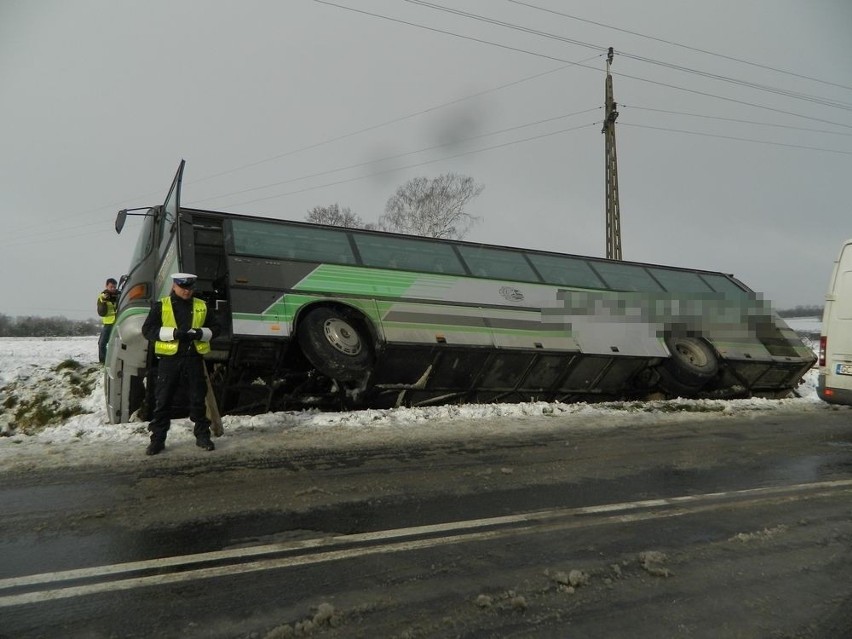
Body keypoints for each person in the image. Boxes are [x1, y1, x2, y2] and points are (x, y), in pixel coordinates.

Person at [141, 273, 221, 456]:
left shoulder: (202, 305)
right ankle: (157, 440)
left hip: (193, 358)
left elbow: (216, 328)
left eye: (190, 288)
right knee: (163, 401)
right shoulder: (161, 305)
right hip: (170, 360)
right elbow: (148, 330)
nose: (187, 291)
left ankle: (202, 436)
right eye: (183, 288)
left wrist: (200, 333)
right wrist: (173, 334)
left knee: (197, 400)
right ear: (175, 286)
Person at [96, 278, 118, 363]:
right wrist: (105, 297)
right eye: (111, 287)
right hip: (108, 323)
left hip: (117, 322)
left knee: (114, 343)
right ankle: (103, 361)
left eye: (114, 287)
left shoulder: (119, 295)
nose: (113, 289)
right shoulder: (103, 295)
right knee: (102, 343)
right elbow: (102, 298)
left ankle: (112, 361)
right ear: (106, 286)